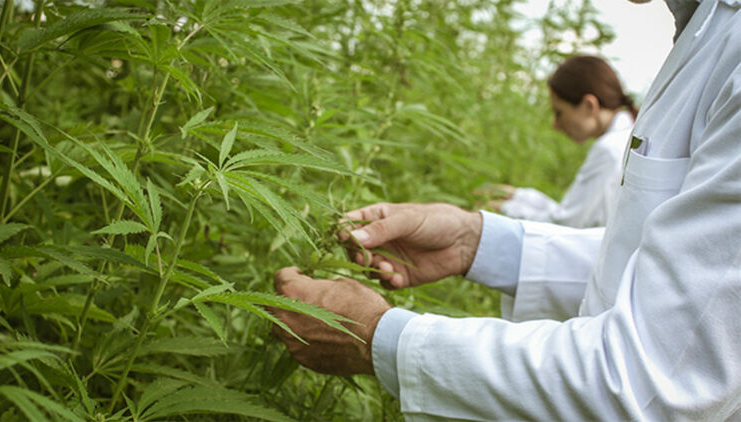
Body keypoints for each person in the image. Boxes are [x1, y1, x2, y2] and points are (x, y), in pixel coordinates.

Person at [272, 0, 741, 420]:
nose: (554, 125)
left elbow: (649, 386)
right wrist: (475, 243)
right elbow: (658, 266)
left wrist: (381, 337)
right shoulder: (705, 30)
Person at [490, 55, 637, 228]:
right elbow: (572, 213)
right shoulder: (627, 139)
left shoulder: (609, 150)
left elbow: (565, 225)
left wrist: (505, 209)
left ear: (589, 105)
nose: (556, 125)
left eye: (559, 112)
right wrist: (521, 197)